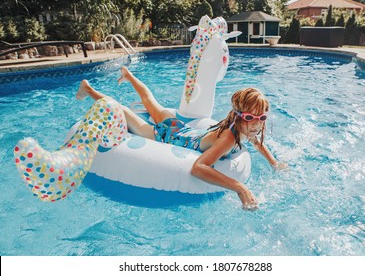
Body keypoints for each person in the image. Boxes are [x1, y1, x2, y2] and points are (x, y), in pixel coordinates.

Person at [76, 66, 287, 210]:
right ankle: (89, 90)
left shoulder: (245, 129)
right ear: (239, 117)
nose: (257, 124)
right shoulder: (230, 138)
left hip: (182, 129)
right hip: (168, 136)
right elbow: (198, 168)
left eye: (262, 118)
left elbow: (258, 144)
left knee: (151, 101)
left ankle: (128, 75)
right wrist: (240, 187)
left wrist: (274, 163)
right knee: (122, 111)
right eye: (251, 118)